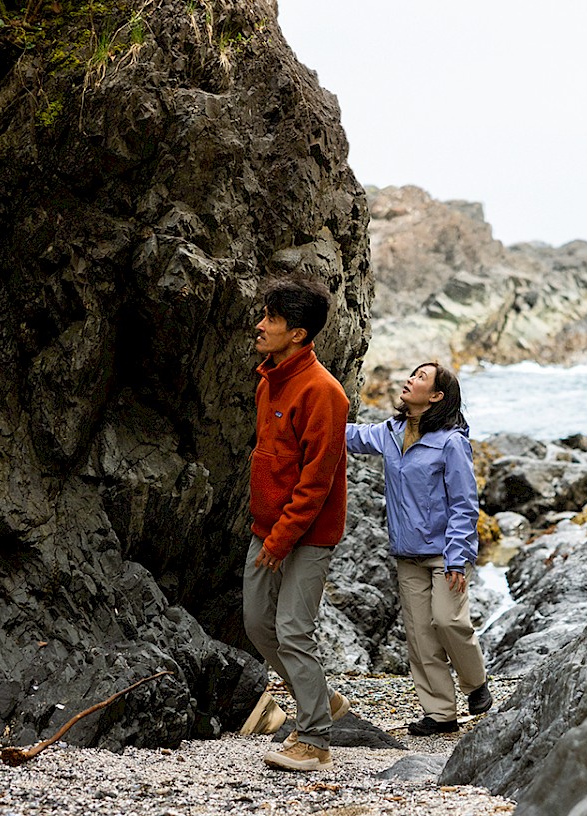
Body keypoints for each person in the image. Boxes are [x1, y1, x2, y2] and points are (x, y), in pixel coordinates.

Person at [346, 362, 493, 736]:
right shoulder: (391, 432)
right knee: (420, 636)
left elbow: (464, 504)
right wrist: (309, 416)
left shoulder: (451, 442)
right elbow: (351, 437)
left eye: (420, 378)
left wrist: (459, 557)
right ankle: (441, 714)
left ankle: (476, 685)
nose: (410, 380)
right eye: (413, 375)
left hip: (446, 553)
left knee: (448, 620)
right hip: (407, 553)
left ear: (436, 396)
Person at [243, 276, 351, 773]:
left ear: (300, 334)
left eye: (273, 320)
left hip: (308, 534)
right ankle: (321, 698)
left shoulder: (325, 393)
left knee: (292, 630)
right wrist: (267, 533)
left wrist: (282, 540)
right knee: (257, 624)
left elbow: (317, 482)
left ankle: (314, 740)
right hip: (266, 529)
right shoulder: (270, 378)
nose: (260, 326)